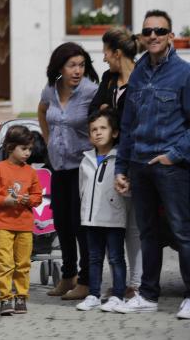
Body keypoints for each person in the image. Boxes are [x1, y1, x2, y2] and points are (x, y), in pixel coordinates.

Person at [114, 10, 190, 319]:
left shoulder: (184, 74)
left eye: (160, 30)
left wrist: (175, 155)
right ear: (142, 37)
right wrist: (121, 168)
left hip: (171, 166)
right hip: (139, 163)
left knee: (183, 231)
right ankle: (147, 295)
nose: (153, 36)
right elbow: (128, 124)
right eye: (148, 31)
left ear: (171, 36)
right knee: (148, 233)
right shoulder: (138, 73)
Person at [37, 42, 99, 301]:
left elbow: (103, 123)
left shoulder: (91, 91)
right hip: (58, 165)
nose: (77, 70)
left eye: (81, 65)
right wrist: (49, 139)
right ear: (60, 67)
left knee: (79, 224)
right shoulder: (51, 90)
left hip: (82, 167)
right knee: (61, 222)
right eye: (72, 65)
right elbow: (42, 110)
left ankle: (86, 280)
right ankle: (68, 275)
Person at [88, 27, 143, 299]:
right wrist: (108, 114)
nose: (104, 58)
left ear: (117, 53)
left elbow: (138, 118)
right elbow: (93, 111)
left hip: (137, 157)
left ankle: (137, 283)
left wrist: (108, 113)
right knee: (115, 221)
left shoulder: (143, 77)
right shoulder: (109, 79)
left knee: (135, 224)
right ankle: (125, 282)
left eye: (106, 53)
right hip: (111, 158)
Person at [0, 125, 43, 316]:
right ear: (10, 147)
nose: (27, 153)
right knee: (6, 263)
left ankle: (21, 296)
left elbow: (38, 196)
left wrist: (29, 200)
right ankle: (5, 298)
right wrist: (4, 201)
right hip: (2, 225)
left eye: (30, 149)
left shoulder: (31, 172)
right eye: (23, 148)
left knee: (23, 263)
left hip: (24, 225)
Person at [76, 109, 129, 312]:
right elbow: (82, 188)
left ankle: (118, 295)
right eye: (93, 130)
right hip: (91, 220)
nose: (98, 133)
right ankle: (93, 295)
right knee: (94, 258)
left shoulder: (120, 159)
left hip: (113, 218)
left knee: (115, 258)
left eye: (103, 128)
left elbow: (127, 188)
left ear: (114, 132)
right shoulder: (86, 160)